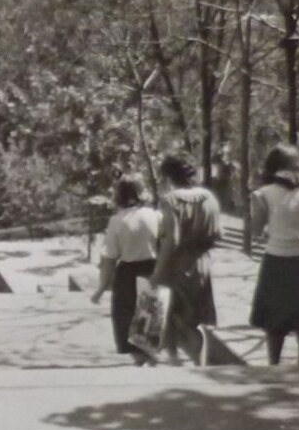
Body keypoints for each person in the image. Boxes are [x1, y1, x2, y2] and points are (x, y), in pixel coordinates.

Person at [249, 144, 299, 367]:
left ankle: (274, 370)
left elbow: (256, 231)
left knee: (274, 325)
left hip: (277, 262)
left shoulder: (263, 194)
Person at [149, 152, 221, 366]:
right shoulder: (209, 198)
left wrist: (157, 272)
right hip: (202, 263)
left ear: (168, 176)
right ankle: (199, 364)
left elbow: (172, 240)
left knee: (168, 313)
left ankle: (173, 360)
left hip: (176, 265)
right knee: (193, 318)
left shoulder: (170, 200)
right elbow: (218, 233)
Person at [90, 173, 161, 366]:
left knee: (126, 326)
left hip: (127, 277)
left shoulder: (117, 221)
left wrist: (100, 289)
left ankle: (140, 364)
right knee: (149, 328)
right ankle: (150, 363)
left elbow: (109, 259)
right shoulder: (155, 216)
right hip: (152, 272)